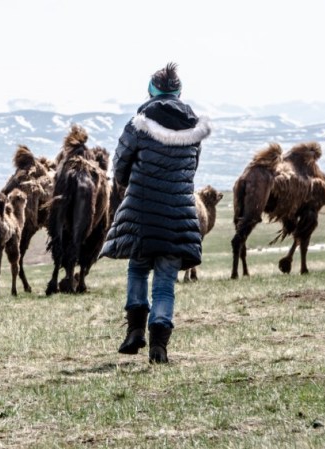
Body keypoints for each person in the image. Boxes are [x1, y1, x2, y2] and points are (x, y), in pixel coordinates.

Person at [99, 63, 212, 363]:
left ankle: (135, 330)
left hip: (142, 211)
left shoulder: (139, 123)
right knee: (165, 282)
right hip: (179, 213)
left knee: (138, 268)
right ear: (179, 92)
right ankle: (159, 346)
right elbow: (191, 168)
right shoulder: (193, 129)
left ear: (151, 91)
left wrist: (131, 181)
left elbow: (120, 165)